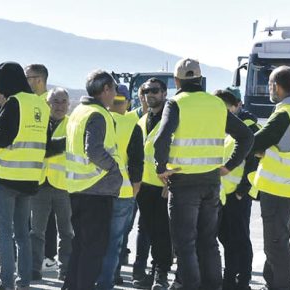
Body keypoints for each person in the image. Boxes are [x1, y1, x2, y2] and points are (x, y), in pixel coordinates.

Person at [153, 58, 253, 290]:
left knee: (185, 244)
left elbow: (160, 140)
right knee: (208, 241)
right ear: (200, 80)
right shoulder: (217, 104)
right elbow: (246, 137)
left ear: (177, 81)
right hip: (211, 182)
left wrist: (161, 169)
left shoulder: (176, 103)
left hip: (184, 182)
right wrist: (229, 165)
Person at [0, 62, 50, 290]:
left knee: (4, 233)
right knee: (23, 234)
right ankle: (23, 282)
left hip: (6, 177)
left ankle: (7, 283)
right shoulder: (40, 105)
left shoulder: (14, 103)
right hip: (30, 178)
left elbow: (1, 138)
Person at [247, 66, 290, 290]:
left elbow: (255, 143)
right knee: (277, 243)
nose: (269, 89)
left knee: (276, 246)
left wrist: (257, 150)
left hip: (277, 189)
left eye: (269, 84)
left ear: (276, 86)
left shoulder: (284, 114)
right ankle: (271, 284)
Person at [63, 70, 122, 290]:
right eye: (114, 89)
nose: (115, 93)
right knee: (93, 251)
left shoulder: (79, 111)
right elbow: (94, 150)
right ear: (105, 90)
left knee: (81, 246)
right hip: (95, 189)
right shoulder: (97, 114)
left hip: (79, 188)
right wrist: (114, 169)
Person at [97, 84, 144, 290]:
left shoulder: (96, 120)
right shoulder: (132, 125)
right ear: (128, 103)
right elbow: (136, 162)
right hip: (123, 191)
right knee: (116, 240)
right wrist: (135, 188)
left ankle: (93, 278)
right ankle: (109, 279)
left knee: (96, 238)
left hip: (94, 190)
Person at [214, 87, 260, 290]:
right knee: (226, 238)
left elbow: (253, 162)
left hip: (237, 194)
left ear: (237, 106)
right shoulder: (223, 128)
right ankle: (229, 279)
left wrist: (243, 189)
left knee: (239, 239)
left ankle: (241, 281)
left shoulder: (248, 127)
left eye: (225, 108)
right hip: (223, 194)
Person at [29, 87, 73, 282]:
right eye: (56, 101)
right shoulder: (37, 124)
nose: (60, 106)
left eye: (63, 101)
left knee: (67, 232)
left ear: (69, 104)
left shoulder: (73, 125)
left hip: (64, 186)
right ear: (48, 103)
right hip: (40, 183)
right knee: (36, 231)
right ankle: (34, 268)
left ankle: (65, 270)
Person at [132, 78, 172, 289]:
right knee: (149, 230)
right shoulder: (142, 120)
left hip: (164, 186)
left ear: (164, 93)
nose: (150, 94)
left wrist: (169, 183)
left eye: (155, 90)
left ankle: (161, 275)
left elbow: (177, 150)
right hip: (145, 186)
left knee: (163, 233)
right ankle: (153, 271)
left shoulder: (172, 118)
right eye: (147, 91)